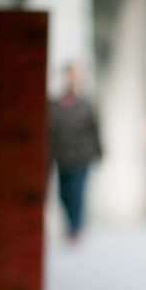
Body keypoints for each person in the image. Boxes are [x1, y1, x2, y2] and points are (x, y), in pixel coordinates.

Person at [50, 64, 102, 241]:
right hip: (62, 156)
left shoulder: (85, 105)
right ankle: (71, 224)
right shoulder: (56, 105)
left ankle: (75, 227)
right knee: (63, 193)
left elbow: (95, 129)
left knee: (77, 192)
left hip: (81, 155)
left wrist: (98, 151)